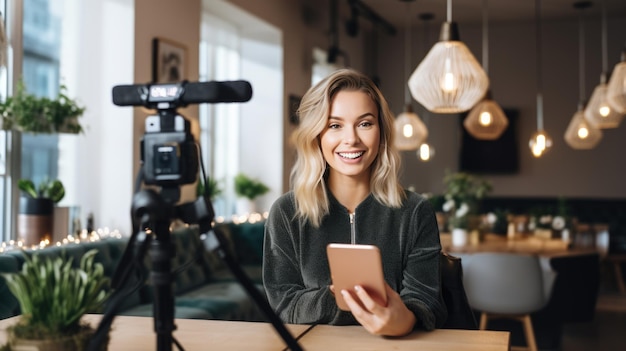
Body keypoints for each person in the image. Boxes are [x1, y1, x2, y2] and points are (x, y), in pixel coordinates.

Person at [262, 68, 447, 336]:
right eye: (335, 125)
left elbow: (427, 302)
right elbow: (283, 306)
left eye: (365, 123)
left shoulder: (415, 211)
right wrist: (341, 298)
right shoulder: (286, 212)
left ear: (381, 131)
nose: (351, 139)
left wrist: (403, 320)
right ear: (317, 135)